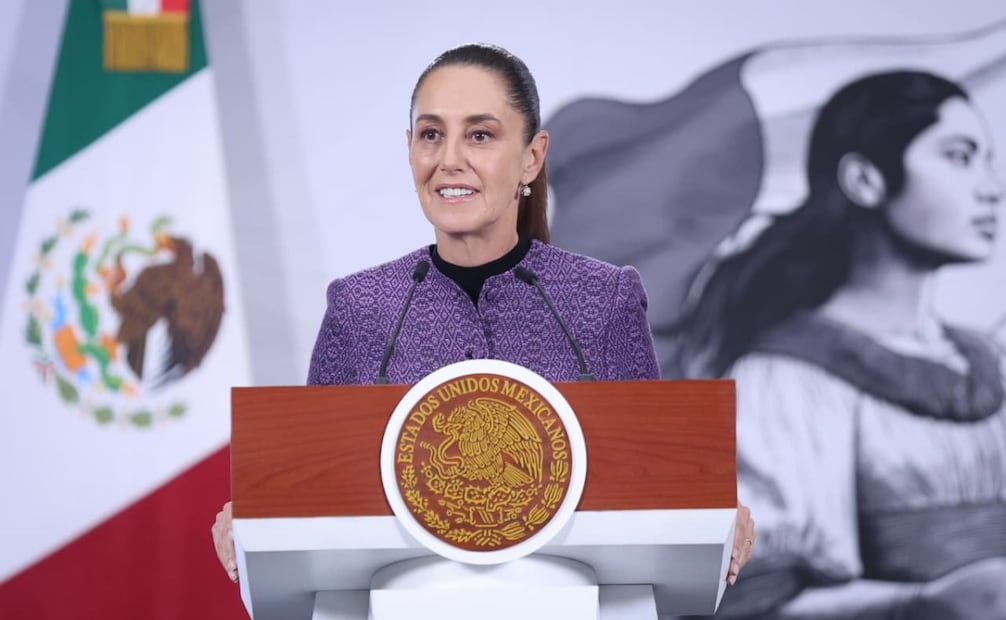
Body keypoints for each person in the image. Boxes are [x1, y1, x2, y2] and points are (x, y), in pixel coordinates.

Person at [211, 42, 756, 588]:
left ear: (532, 157)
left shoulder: (604, 299)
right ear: (410, 150)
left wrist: (712, 515)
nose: (449, 159)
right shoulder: (361, 308)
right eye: (431, 134)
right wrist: (258, 518)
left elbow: (655, 486)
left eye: (480, 134)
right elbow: (313, 490)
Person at [670, 71, 1005, 618]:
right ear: (865, 179)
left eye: (988, 159)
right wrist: (928, 603)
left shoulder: (988, 362)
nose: (991, 187)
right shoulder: (785, 379)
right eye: (960, 157)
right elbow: (758, 595)